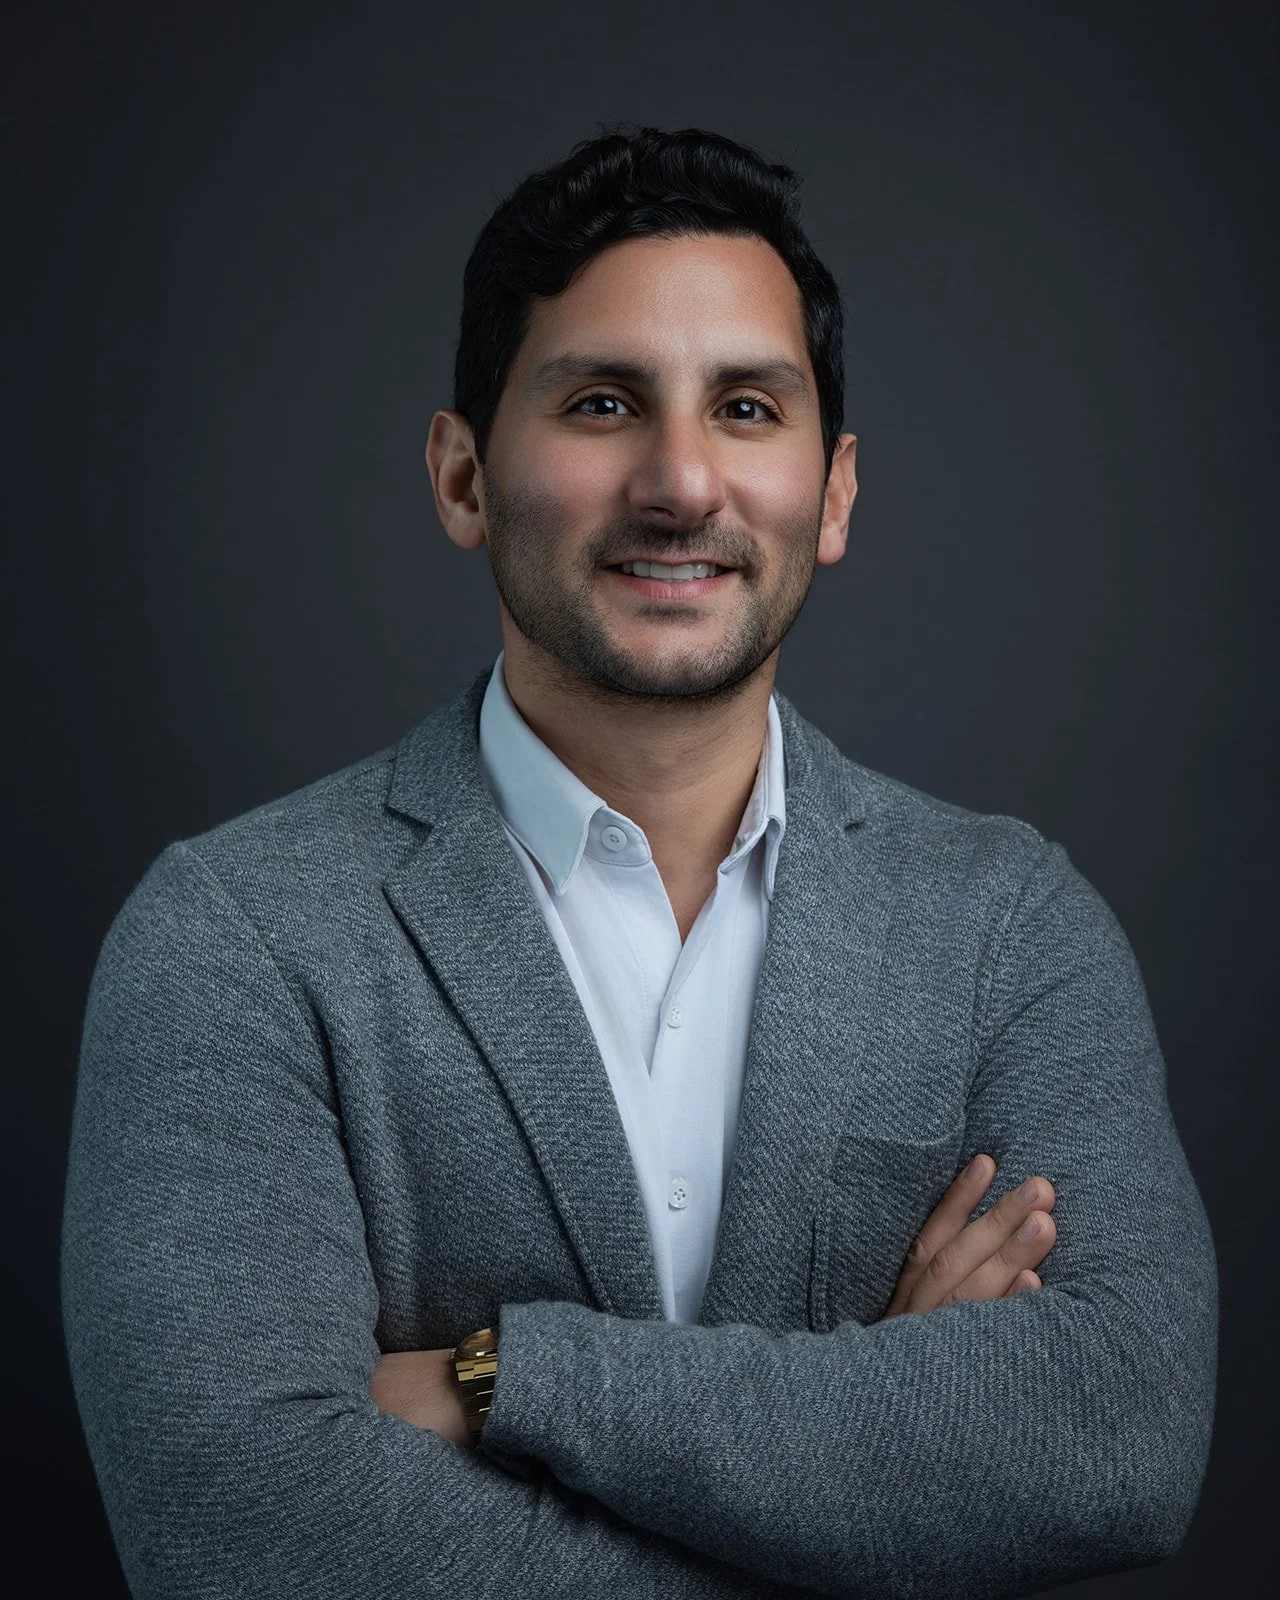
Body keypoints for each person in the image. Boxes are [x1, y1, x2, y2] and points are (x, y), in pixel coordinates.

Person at [61, 124, 1217, 1598]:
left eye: (746, 405)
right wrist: (878, 1467)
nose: (681, 482)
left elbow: (1117, 1436)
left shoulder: (1009, 924)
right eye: (603, 402)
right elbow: (238, 1529)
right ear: (465, 475)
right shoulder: (237, 938)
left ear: (837, 491)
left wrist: (507, 1377)